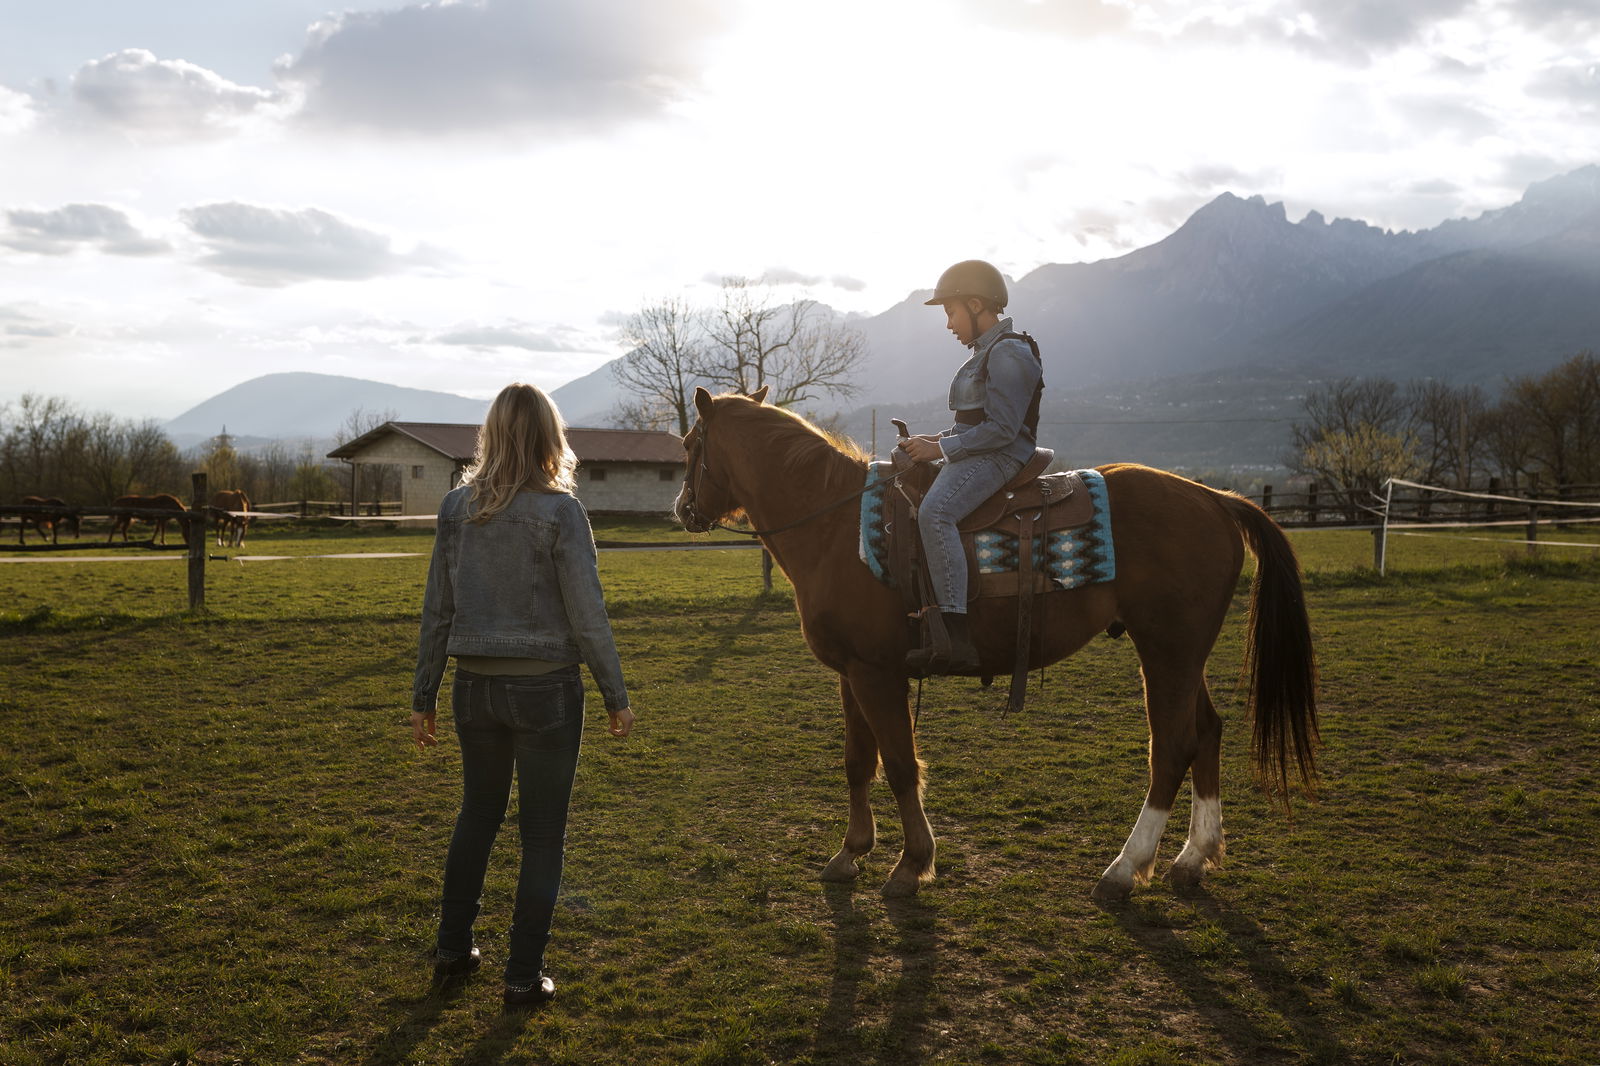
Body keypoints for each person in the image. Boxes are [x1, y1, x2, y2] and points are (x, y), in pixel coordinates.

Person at [411, 382, 635, 1010]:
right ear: (548, 438)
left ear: (492, 436)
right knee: (542, 834)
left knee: (476, 816)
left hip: (472, 689)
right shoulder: (562, 512)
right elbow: (587, 614)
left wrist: (423, 693)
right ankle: (522, 975)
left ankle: (453, 950)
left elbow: (438, 609)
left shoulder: (457, 508)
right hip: (547, 694)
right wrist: (615, 692)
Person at [897, 259, 1044, 675]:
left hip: (1002, 456)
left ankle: (956, 636)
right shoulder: (987, 352)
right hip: (983, 450)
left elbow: (1001, 430)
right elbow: (971, 423)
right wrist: (933, 442)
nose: (948, 324)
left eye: (951, 311)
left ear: (977, 304)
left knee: (936, 512)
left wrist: (942, 451)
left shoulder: (1009, 351)